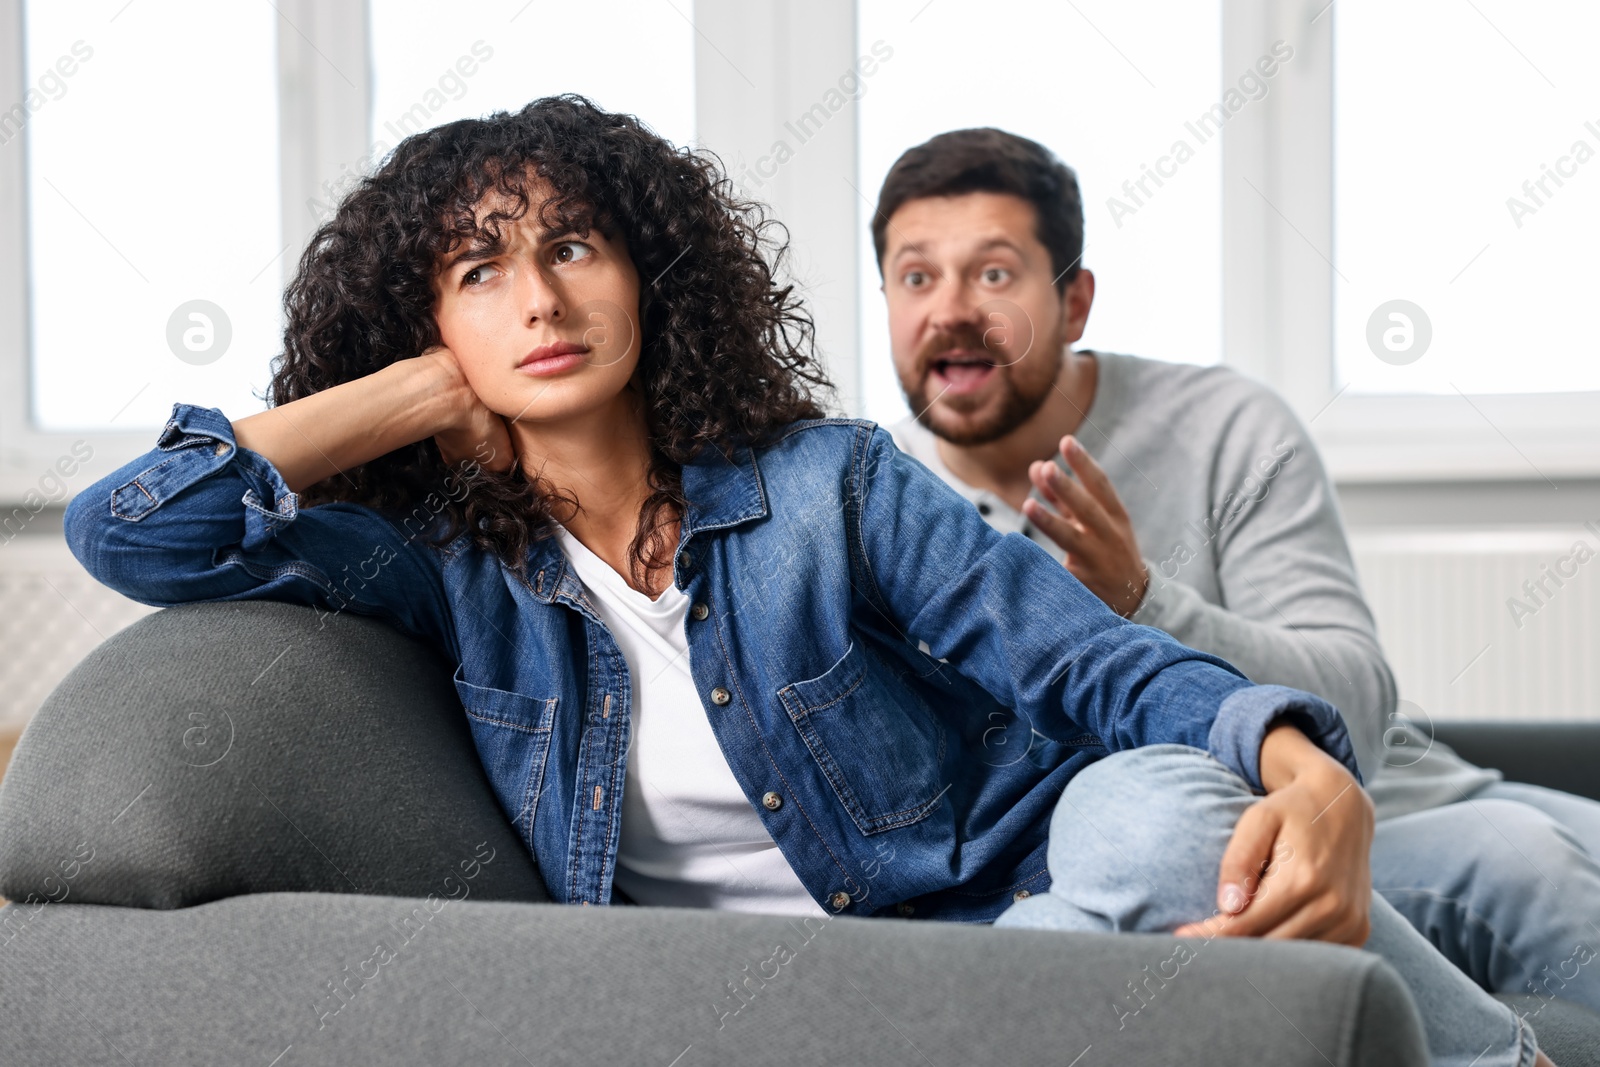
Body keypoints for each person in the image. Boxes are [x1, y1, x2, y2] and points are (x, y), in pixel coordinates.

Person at [64, 97, 1547, 1066]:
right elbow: (135, 529)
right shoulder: (446, 570)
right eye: (478, 268)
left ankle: (1500, 1059)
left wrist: (1307, 760)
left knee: (1170, 818)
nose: (540, 296)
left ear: (650, 274)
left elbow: (1093, 666)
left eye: (574, 245)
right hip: (772, 1002)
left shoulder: (825, 480)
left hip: (1020, 884)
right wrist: (399, 398)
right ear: (432, 319)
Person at [870, 125, 1600, 1023]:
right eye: (915, 276)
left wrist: (1141, 599)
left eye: (992, 273)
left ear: (1075, 301)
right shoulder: (879, 504)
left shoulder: (1224, 426)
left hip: (1380, 810)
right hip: (1148, 857)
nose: (949, 309)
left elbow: (1362, 711)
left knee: (1530, 857)